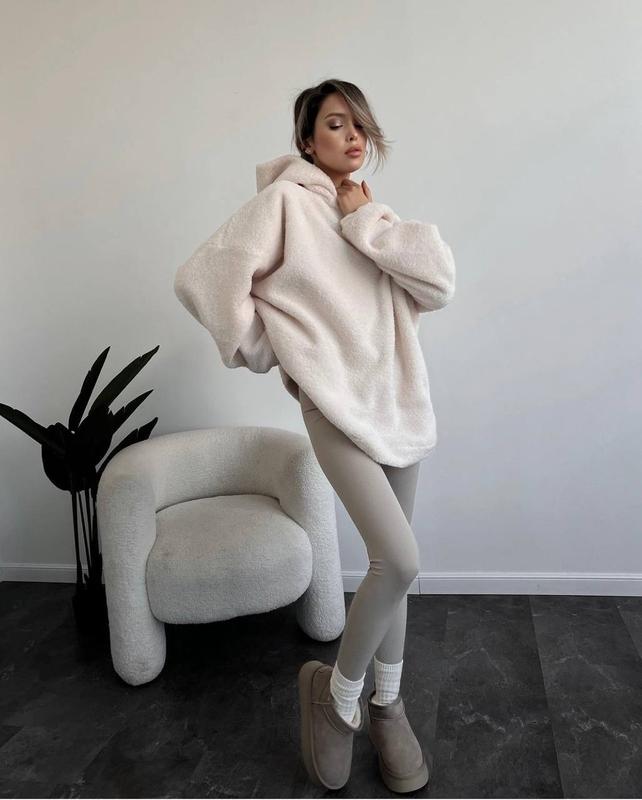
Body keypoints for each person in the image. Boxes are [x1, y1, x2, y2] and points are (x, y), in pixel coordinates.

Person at [174, 78, 456, 793]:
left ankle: (388, 708)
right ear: (306, 140)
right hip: (334, 405)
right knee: (401, 560)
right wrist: (275, 348)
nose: (352, 136)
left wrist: (368, 225)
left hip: (396, 403)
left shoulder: (372, 214)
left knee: (390, 571)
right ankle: (337, 701)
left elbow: (438, 284)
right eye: (335, 124)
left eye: (359, 124)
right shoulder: (283, 204)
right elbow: (204, 279)